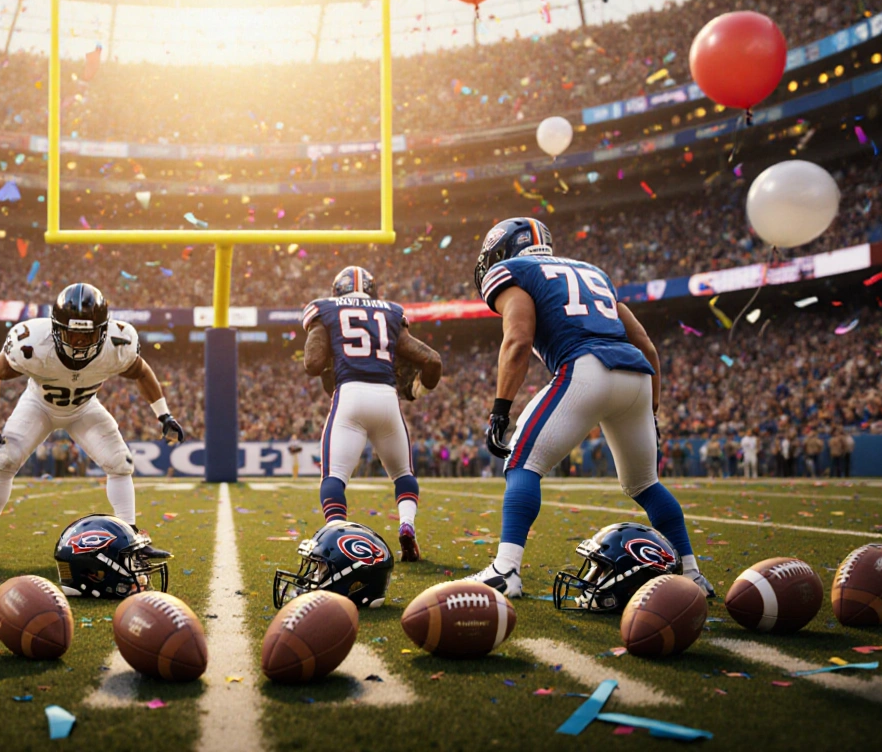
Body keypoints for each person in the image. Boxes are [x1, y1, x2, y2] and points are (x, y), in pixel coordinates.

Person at [463, 218, 712, 598]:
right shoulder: (591, 270)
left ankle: (506, 570)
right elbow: (645, 344)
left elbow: (517, 339)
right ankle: (692, 573)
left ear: (500, 250)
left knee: (521, 463)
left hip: (585, 368)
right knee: (646, 483)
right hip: (636, 375)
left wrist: (500, 409)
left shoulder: (511, 271)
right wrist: (653, 411)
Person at [0, 283, 186, 563]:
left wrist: (164, 414)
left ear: (104, 331)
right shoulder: (32, 344)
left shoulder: (117, 346)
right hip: (38, 405)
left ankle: (130, 538)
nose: (80, 343)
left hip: (84, 408)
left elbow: (142, 372)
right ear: (56, 329)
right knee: (4, 461)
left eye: (88, 335)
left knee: (119, 463)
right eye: (72, 334)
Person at [302, 266, 443, 562]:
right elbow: (432, 360)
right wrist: (418, 391)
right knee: (403, 473)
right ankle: (406, 525)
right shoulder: (391, 311)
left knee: (335, 476)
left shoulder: (325, 309)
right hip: (387, 399)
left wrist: (330, 357)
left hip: (350, 396)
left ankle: (336, 539)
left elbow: (312, 363)